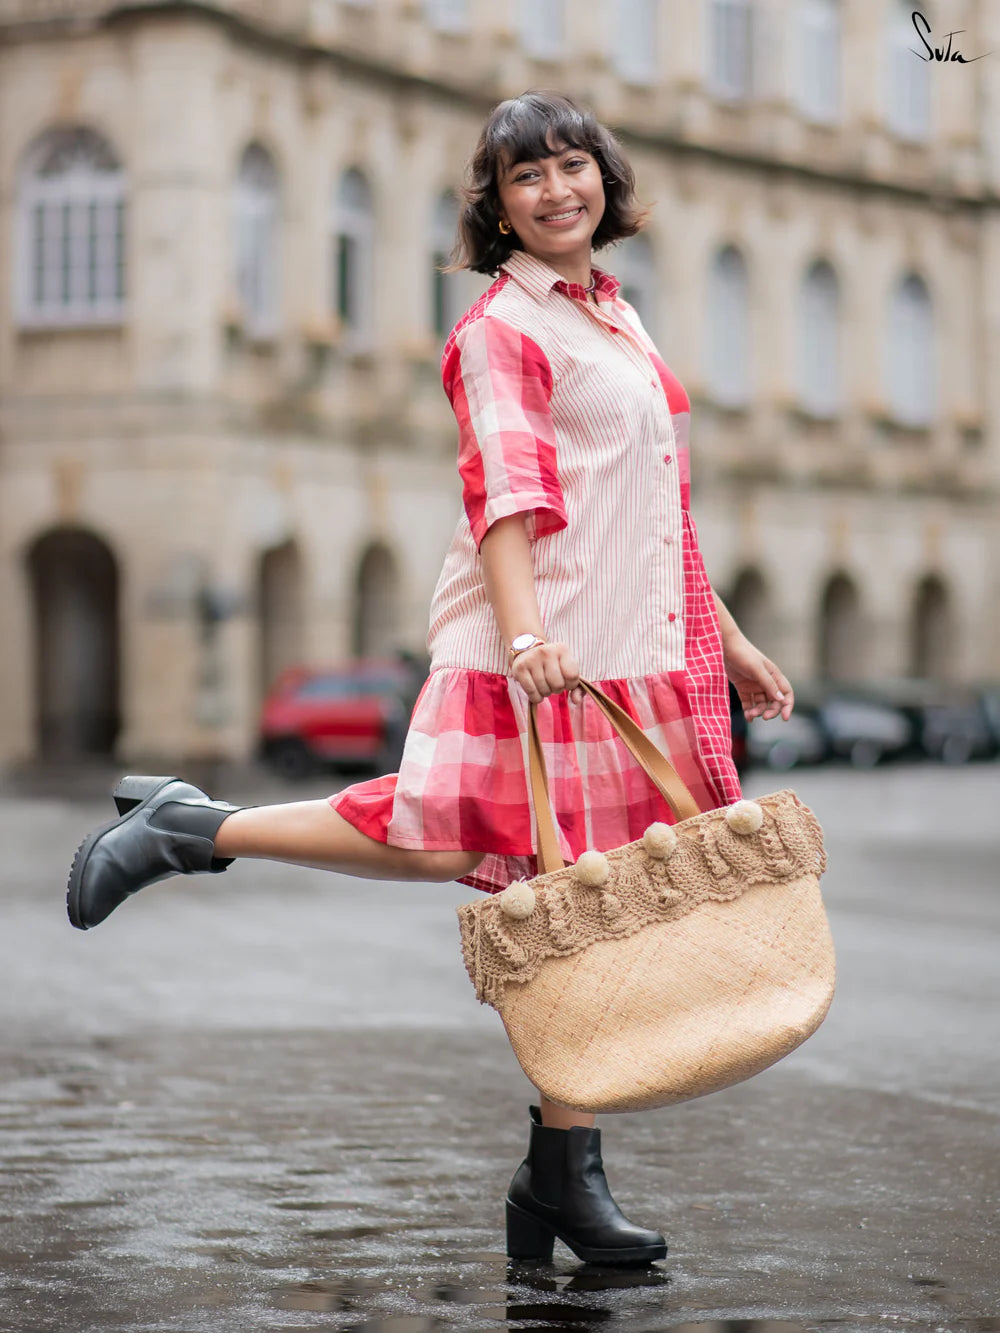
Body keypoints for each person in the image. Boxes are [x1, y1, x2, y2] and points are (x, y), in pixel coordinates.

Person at [66, 91, 794, 1267]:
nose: (557, 189)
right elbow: (505, 494)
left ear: (603, 178)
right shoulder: (501, 328)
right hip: (539, 648)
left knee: (581, 916)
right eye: (526, 177)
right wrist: (520, 642)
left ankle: (561, 1178)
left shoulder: (619, 317)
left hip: (630, 650)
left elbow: (656, 506)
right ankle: (193, 828)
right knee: (435, 836)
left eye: (572, 165)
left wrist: (734, 635)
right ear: (494, 208)